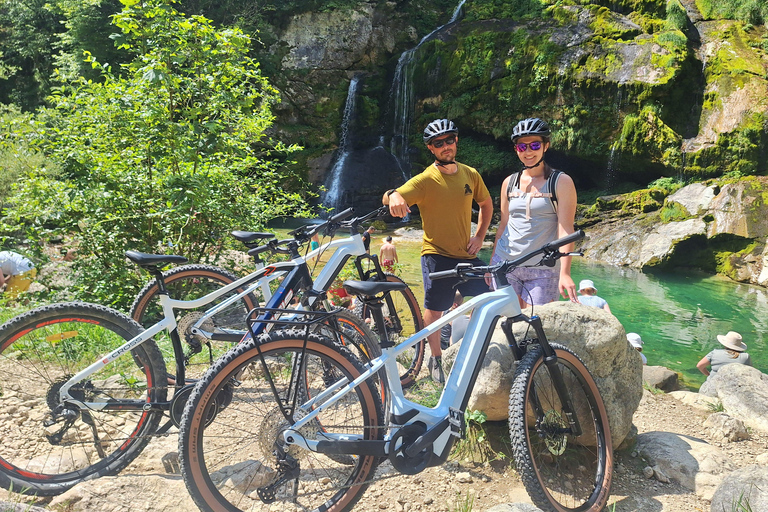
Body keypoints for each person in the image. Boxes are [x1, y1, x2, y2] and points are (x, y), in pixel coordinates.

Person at [383, 118, 493, 383]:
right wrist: (393, 194)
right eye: (438, 143)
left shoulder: (470, 174)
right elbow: (390, 197)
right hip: (436, 255)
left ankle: (476, 348)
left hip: (467, 255)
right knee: (434, 309)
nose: (445, 146)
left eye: (449, 140)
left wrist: (479, 236)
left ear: (456, 141)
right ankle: (436, 358)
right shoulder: (424, 180)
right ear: (431, 149)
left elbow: (487, 205)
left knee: (490, 299)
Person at [490, 118, 578, 308]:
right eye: (522, 147)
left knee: (536, 326)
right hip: (505, 265)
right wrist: (491, 265)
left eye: (535, 145)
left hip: (543, 268)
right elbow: (503, 225)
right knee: (503, 323)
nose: (528, 152)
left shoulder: (561, 182)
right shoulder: (509, 182)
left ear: (546, 146)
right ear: (516, 150)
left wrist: (565, 272)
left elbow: (566, 230)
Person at [697, 331, 752, 396]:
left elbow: (699, 366)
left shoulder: (714, 353)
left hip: (711, 388)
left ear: (725, 344)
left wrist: (708, 375)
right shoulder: (745, 357)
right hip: (733, 391)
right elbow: (750, 373)